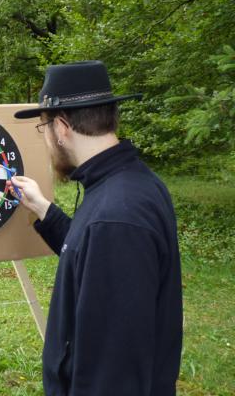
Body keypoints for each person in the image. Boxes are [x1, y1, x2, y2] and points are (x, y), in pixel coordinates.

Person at [11, 61, 182, 396]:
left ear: (61, 127)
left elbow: (113, 372)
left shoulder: (116, 218)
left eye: (44, 128)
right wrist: (45, 210)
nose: (46, 141)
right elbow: (92, 259)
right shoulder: (127, 185)